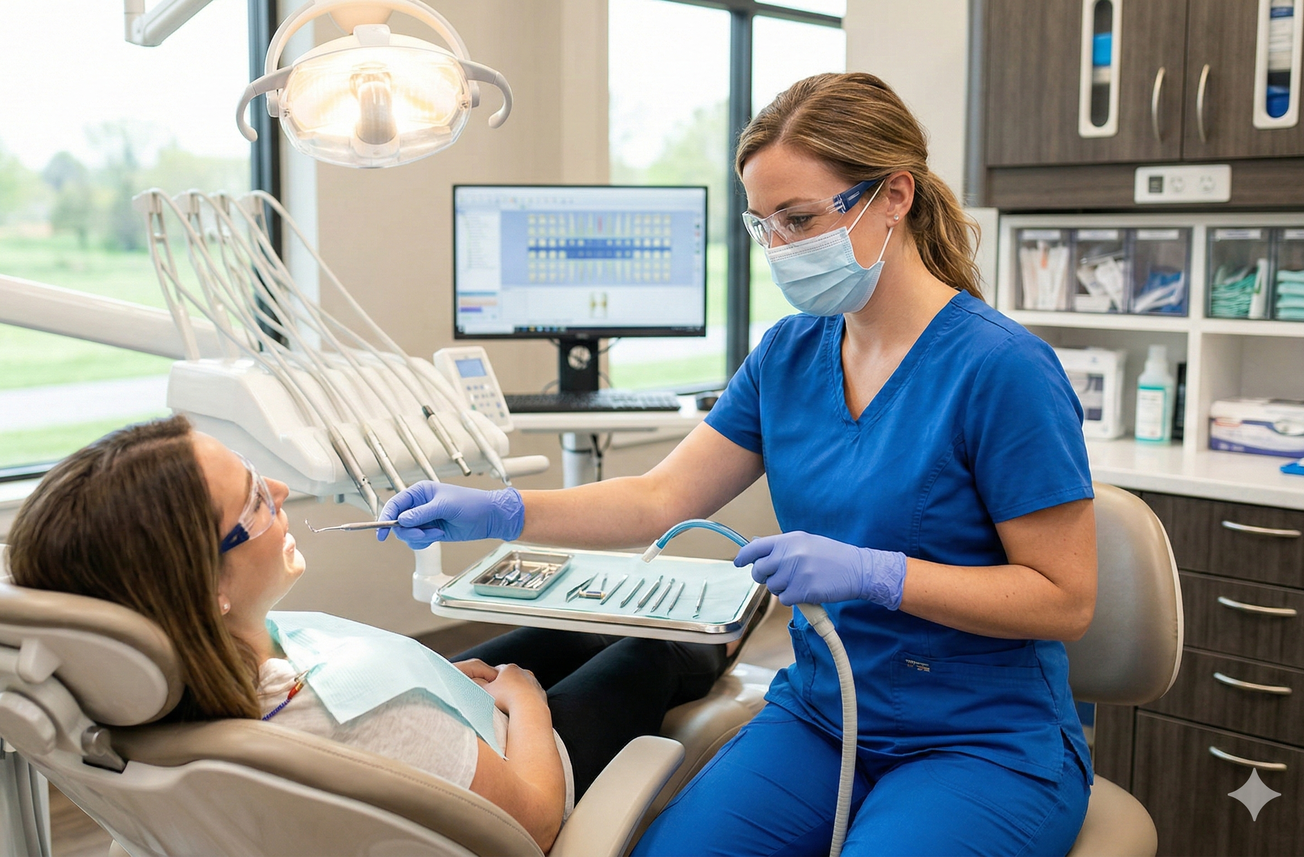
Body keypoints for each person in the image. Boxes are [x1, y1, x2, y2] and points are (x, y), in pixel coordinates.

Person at [379, 72, 1097, 856]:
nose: (782, 248)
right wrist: (501, 510)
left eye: (800, 219)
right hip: (825, 717)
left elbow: (1064, 598)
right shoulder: (789, 356)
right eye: (764, 226)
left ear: (895, 195)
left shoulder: (1004, 370)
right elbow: (660, 497)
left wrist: (877, 574)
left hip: (984, 741)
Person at [4, 414, 728, 852]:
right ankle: (713, 653)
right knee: (650, 645)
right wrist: (526, 701)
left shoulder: (177, 682)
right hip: (527, 767)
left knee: (564, 631)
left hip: (436, 728)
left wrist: (436, 677)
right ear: (209, 586)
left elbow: (384, 709)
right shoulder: (373, 721)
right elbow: (534, 822)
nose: (281, 492)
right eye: (257, 499)